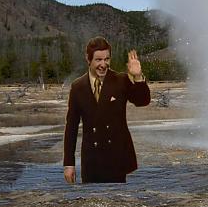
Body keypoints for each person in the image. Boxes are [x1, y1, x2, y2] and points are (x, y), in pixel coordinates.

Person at [63, 36, 150, 183]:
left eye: (107, 59)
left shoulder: (121, 80)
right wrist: (69, 163)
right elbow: (71, 127)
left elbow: (142, 101)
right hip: (91, 161)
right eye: (98, 60)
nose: (103, 64)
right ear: (88, 59)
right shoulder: (77, 87)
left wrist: (138, 77)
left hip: (116, 158)